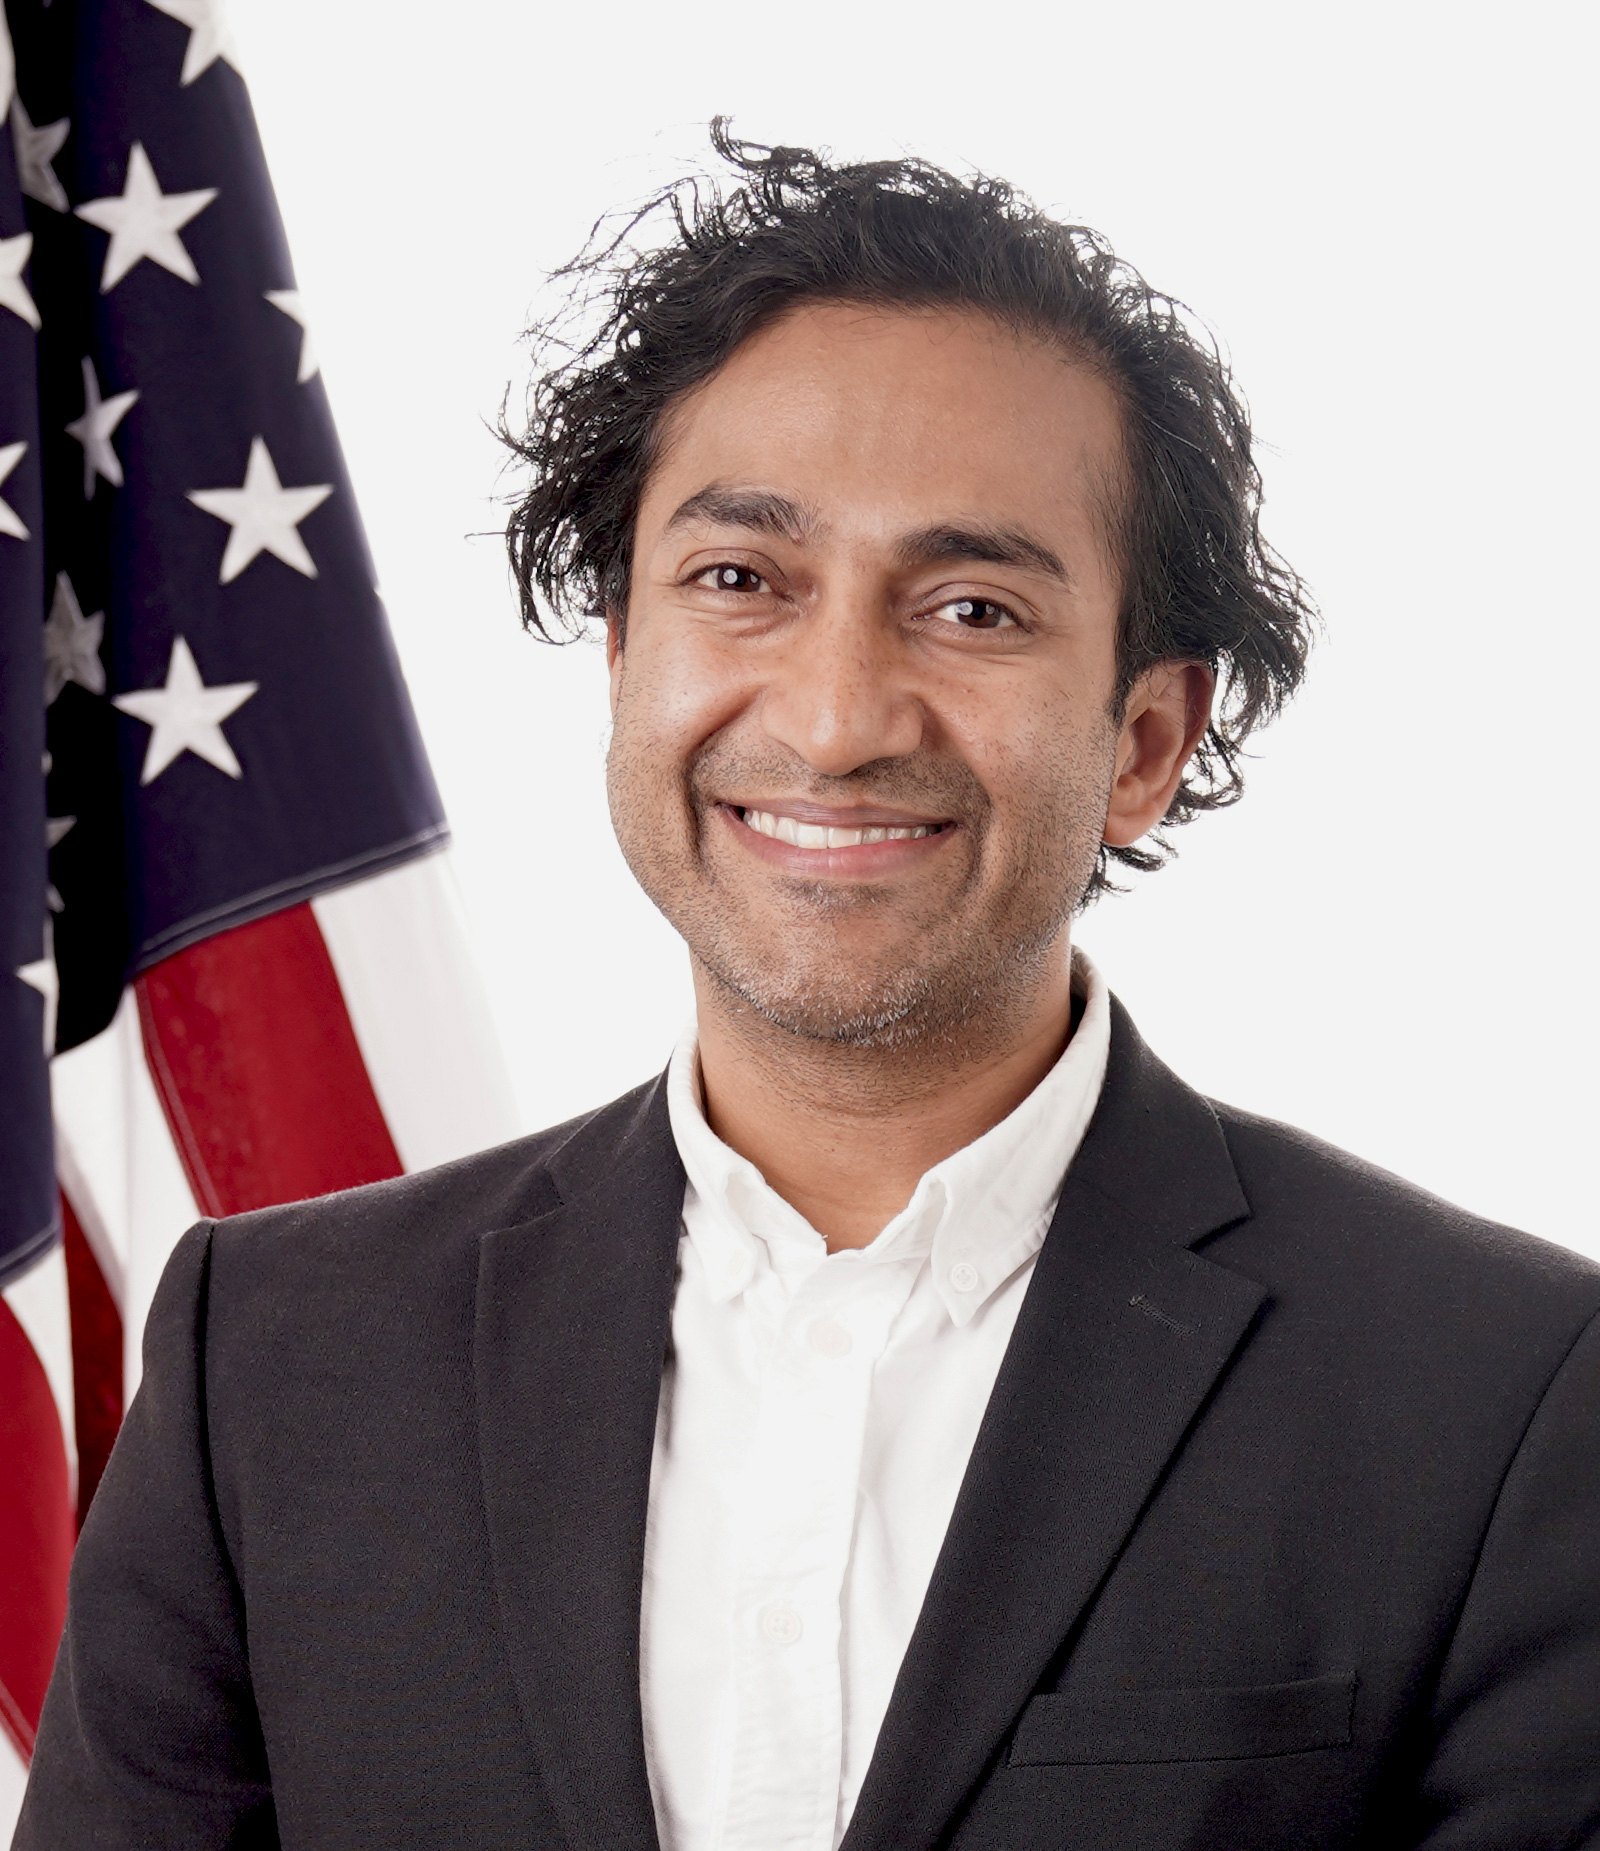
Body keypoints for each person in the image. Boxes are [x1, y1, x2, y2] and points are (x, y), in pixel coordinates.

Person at [18, 128, 1600, 1851]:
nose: (838, 716)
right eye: (740, 581)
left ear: (1145, 743)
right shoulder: (273, 1357)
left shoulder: (1507, 1394)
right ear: (624, 660)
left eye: (974, 605)